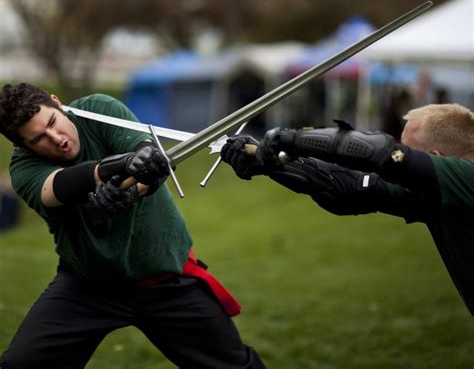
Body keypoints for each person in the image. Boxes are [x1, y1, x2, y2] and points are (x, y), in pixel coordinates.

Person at [0, 83, 265, 368]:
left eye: (53, 122)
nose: (56, 138)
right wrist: (113, 168)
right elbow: (57, 188)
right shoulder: (23, 168)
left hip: (164, 273)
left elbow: (148, 156)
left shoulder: (99, 110)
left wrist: (132, 188)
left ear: (58, 102)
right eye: (39, 138)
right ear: (21, 145)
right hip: (88, 286)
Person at [221, 103, 474, 316]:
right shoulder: (433, 194)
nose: (403, 149)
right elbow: (346, 189)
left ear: (436, 157)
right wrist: (269, 163)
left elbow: (379, 153)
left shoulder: (468, 178)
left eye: (410, 148)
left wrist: (289, 139)